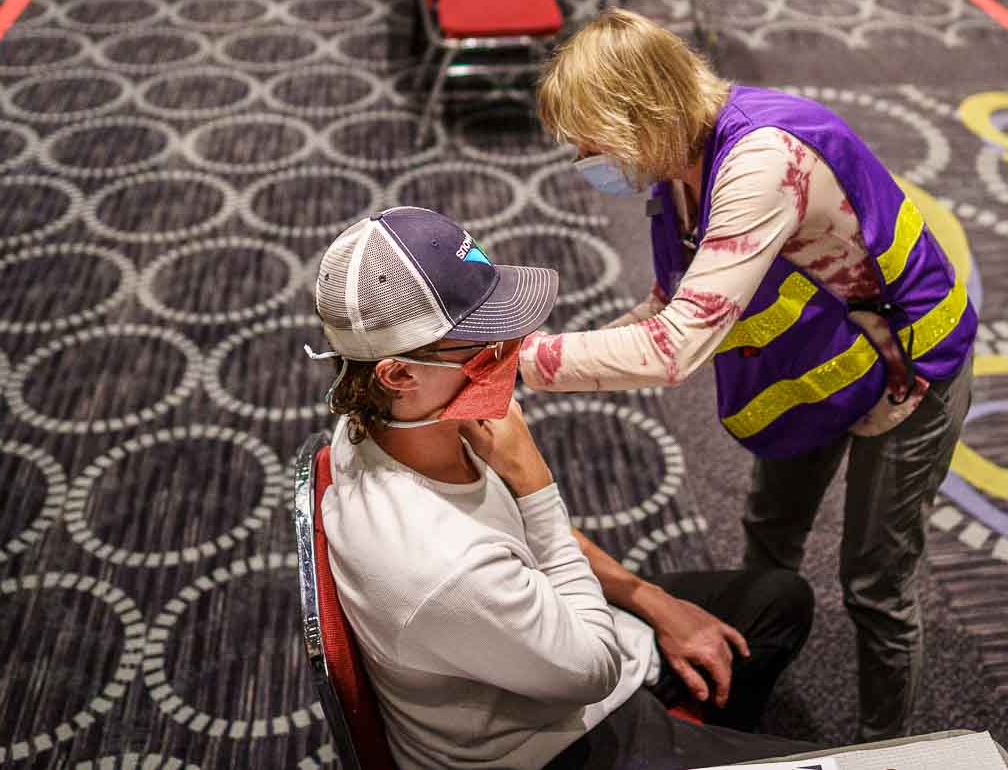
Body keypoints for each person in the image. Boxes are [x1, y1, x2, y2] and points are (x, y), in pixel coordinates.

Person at [522, 10, 978, 742]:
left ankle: (884, 746)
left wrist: (525, 361)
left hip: (909, 373)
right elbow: (671, 303)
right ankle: (754, 678)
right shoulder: (678, 165)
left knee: (875, 586)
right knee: (769, 539)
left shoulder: (763, 163)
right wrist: (573, 349)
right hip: (815, 368)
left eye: (590, 138)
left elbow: (673, 350)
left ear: (644, 113)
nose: (582, 155)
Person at [309, 206, 816, 770]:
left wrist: (647, 597)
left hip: (554, 638)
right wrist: (534, 483)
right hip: (550, 744)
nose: (514, 346)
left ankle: (710, 730)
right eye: (485, 340)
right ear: (399, 375)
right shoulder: (441, 566)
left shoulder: (387, 420)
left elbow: (521, 543)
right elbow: (596, 669)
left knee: (781, 600)